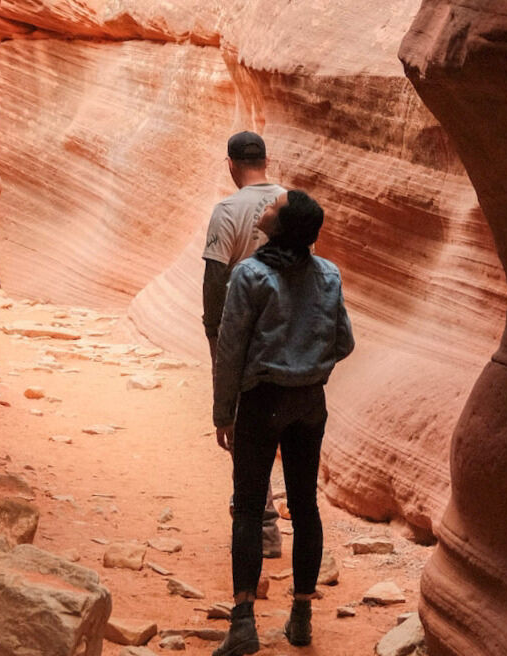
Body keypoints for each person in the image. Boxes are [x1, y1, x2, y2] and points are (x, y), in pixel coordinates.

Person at [210, 190, 354, 655]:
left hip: (261, 401)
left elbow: (230, 350)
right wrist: (311, 364)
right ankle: (302, 618)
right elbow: (345, 341)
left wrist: (223, 411)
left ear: (283, 225)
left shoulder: (251, 276)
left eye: (275, 204)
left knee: (249, 508)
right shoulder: (328, 275)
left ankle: (244, 622)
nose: (268, 204)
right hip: (309, 402)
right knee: (305, 504)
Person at [203, 130, 285, 559]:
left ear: (231, 165)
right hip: (287, 333)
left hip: (243, 333)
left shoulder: (227, 210)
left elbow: (216, 278)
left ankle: (264, 527)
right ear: (266, 161)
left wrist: (214, 332)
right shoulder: (290, 203)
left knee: (241, 429)